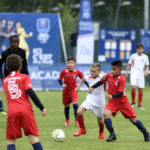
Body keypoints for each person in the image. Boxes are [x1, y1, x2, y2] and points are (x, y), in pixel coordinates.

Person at [89, 60, 150, 142]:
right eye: (112, 69)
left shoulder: (122, 79)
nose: (112, 71)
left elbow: (121, 93)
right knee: (106, 114)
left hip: (122, 102)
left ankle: (146, 133)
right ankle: (112, 134)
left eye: (114, 69)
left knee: (133, 119)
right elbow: (101, 81)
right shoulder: (108, 75)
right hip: (113, 102)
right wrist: (92, 87)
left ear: (120, 70)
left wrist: (112, 96)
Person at [2, 54, 46, 150]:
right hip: (26, 111)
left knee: (11, 140)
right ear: (20, 67)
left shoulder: (5, 81)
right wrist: (41, 107)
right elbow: (30, 92)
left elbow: (14, 97)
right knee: (33, 138)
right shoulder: (24, 77)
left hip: (12, 112)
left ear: (7, 67)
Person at [73, 63, 105, 140]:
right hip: (90, 99)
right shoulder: (88, 77)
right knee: (79, 112)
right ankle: (82, 129)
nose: (92, 73)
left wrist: (92, 87)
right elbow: (83, 78)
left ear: (99, 71)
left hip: (100, 102)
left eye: (94, 71)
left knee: (100, 120)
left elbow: (105, 78)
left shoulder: (102, 77)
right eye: (91, 71)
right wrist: (78, 87)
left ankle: (101, 132)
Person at [0, 35, 29, 114]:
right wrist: (3, 78)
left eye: (17, 42)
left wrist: (27, 76)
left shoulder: (22, 52)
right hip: (9, 78)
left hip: (21, 78)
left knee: (23, 95)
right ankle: (13, 111)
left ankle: (23, 110)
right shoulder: (5, 53)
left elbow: (25, 65)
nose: (16, 44)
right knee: (12, 96)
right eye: (14, 42)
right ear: (10, 42)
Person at [58, 56, 84, 127]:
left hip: (74, 90)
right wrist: (62, 84)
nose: (70, 64)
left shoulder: (77, 71)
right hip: (66, 92)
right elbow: (59, 79)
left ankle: (77, 120)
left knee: (75, 104)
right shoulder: (64, 71)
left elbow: (83, 78)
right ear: (66, 64)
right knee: (67, 106)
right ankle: (67, 120)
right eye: (69, 63)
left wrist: (80, 87)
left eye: (72, 63)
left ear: (74, 64)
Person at [125, 44, 149, 110]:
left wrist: (146, 71)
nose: (140, 50)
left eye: (141, 49)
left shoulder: (145, 57)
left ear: (143, 49)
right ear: (137, 49)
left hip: (141, 75)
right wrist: (126, 74)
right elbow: (129, 64)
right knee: (133, 87)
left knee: (140, 89)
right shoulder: (133, 56)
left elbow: (147, 66)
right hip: (134, 74)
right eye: (138, 49)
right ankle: (133, 103)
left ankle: (139, 105)